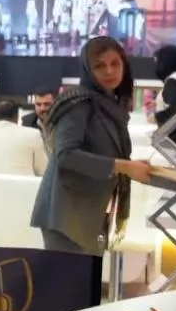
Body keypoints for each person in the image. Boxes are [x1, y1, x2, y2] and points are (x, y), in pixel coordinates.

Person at [31, 36, 152, 255]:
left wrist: (130, 166)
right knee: (70, 277)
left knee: (85, 276)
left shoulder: (110, 103)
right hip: (66, 214)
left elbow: (99, 149)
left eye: (115, 63)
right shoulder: (78, 103)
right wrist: (124, 167)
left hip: (89, 212)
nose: (109, 71)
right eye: (99, 66)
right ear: (88, 69)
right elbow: (65, 155)